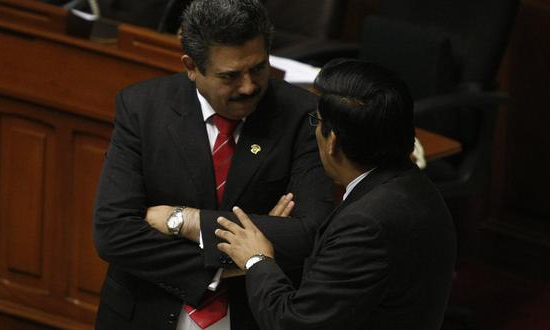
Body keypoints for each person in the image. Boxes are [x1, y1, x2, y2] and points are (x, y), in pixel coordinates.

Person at [92, 0, 333, 329]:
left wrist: (186, 222)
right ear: (192, 67)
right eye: (230, 76)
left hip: (251, 315)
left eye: (259, 68)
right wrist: (239, 260)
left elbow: (310, 235)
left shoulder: (301, 115)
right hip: (146, 311)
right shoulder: (142, 108)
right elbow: (113, 233)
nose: (248, 86)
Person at [215, 60, 457, 330]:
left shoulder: (367, 225)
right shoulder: (411, 183)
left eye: (316, 121)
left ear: (332, 142)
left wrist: (256, 259)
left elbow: (293, 324)